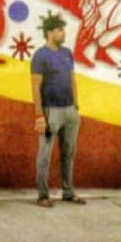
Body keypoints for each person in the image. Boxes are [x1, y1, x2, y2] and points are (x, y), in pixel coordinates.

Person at [31, 14, 85, 207]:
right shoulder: (40, 56)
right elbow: (35, 87)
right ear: (50, 32)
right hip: (50, 112)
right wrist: (39, 116)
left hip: (70, 110)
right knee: (44, 155)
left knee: (68, 153)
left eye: (63, 30)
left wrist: (76, 106)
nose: (64, 33)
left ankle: (68, 192)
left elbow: (72, 80)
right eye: (60, 30)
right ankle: (43, 195)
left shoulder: (67, 53)